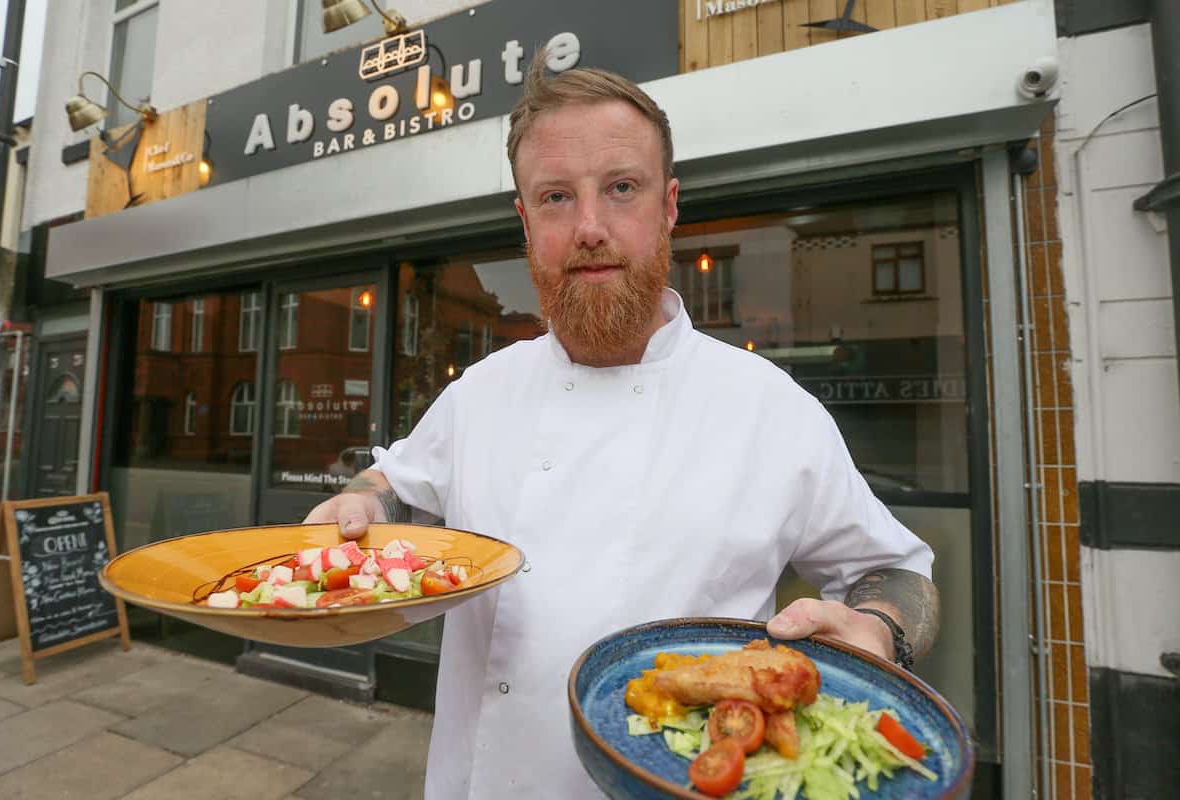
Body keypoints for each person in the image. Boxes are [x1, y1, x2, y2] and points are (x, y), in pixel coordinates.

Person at [304, 49, 940, 800]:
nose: (590, 227)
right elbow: (398, 488)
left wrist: (878, 632)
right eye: (555, 198)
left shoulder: (771, 409)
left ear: (669, 205)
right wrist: (361, 503)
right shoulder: (480, 392)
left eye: (621, 188)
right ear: (524, 220)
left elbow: (897, 571)